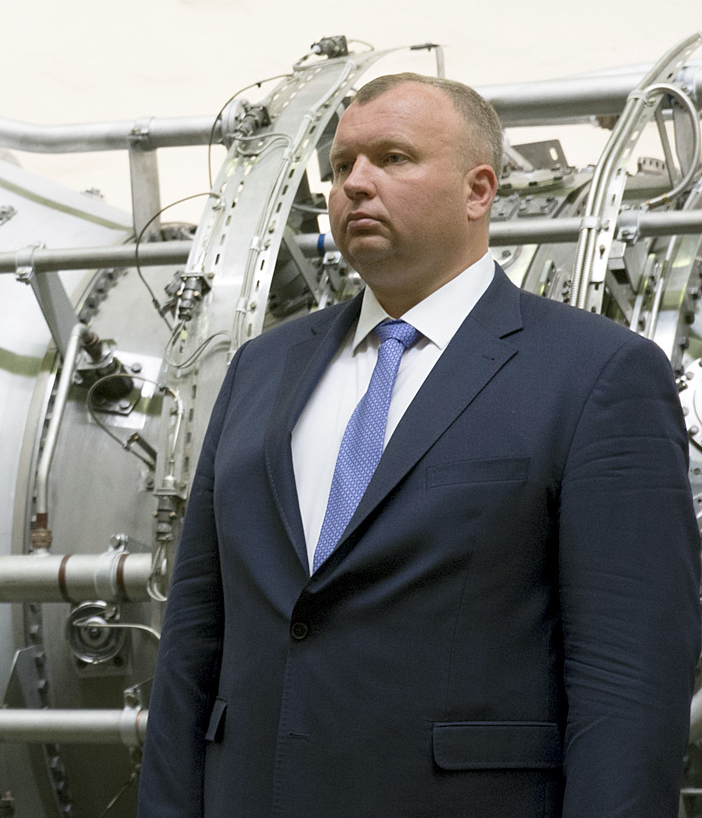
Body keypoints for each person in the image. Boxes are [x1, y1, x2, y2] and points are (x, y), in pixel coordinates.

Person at [139, 72, 702, 816]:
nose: (355, 183)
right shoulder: (261, 369)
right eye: (342, 165)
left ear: (479, 190)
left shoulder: (596, 373)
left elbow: (629, 681)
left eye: (393, 158)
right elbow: (192, 640)